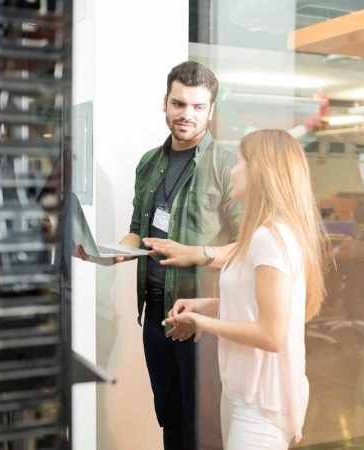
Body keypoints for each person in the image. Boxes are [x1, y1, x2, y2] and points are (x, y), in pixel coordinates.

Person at [76, 61, 243, 450]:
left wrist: (198, 254)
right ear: (165, 103)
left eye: (198, 107)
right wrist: (111, 254)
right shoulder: (149, 163)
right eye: (179, 103)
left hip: (200, 317)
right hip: (155, 313)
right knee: (169, 417)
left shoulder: (226, 166)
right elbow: (139, 229)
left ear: (211, 111)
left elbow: (246, 245)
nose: (187, 115)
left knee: (202, 427)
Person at [162, 129, 329, 449]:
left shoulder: (271, 239)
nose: (231, 170)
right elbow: (252, 306)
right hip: (241, 392)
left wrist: (201, 324)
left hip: (261, 405)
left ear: (259, 172)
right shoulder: (260, 236)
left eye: (238, 162)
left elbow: (271, 334)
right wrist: (205, 305)